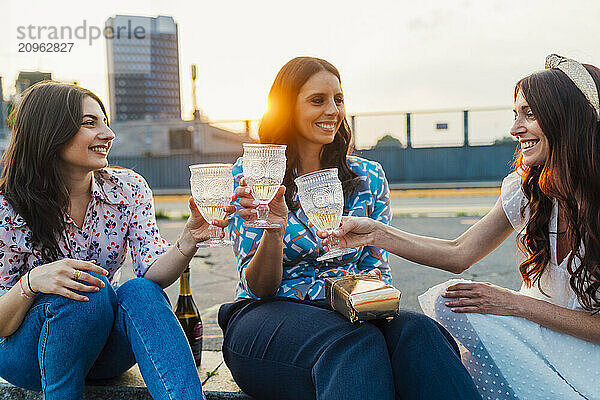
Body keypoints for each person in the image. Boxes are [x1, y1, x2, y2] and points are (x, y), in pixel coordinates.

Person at [319, 54, 600, 399]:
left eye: (529, 114)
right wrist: (376, 233)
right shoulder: (527, 190)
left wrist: (513, 303)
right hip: (539, 336)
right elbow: (459, 253)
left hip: (589, 355)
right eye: (515, 115)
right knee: (449, 302)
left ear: (568, 118)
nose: (515, 129)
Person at [218, 56, 481, 400]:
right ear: (285, 108)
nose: (333, 110)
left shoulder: (368, 177)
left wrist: (366, 305)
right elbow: (260, 287)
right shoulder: (252, 175)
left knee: (421, 333)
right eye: (318, 100)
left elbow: (375, 271)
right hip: (266, 316)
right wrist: (274, 230)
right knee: (355, 343)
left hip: (350, 311)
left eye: (338, 99)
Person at [0, 81, 233, 400]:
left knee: (140, 290)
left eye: (105, 122)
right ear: (49, 130)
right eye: (89, 123)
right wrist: (32, 282)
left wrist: (188, 239)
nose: (108, 134)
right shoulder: (7, 208)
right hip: (26, 354)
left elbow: (152, 273)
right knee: (85, 290)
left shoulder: (128, 188)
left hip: (101, 349)